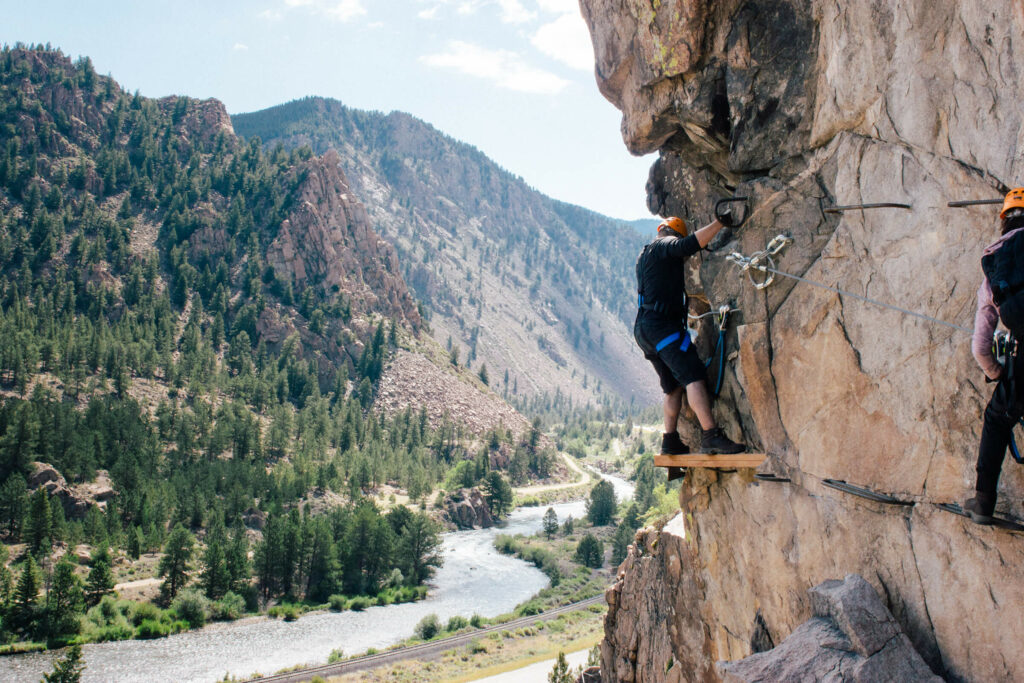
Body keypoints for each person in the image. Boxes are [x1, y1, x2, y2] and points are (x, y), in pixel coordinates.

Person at [634, 213, 745, 462]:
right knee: (693, 377)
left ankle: (670, 441)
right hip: (663, 327)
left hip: (645, 328)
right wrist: (719, 223)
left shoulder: (644, 254)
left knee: (673, 387)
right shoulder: (664, 245)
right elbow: (689, 245)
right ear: (673, 232)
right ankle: (710, 435)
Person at [967, 187, 1024, 523]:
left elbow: (980, 347)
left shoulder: (995, 267)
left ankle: (984, 503)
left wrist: (999, 374)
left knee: (996, 420)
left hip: (1022, 366)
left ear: (1003, 221)